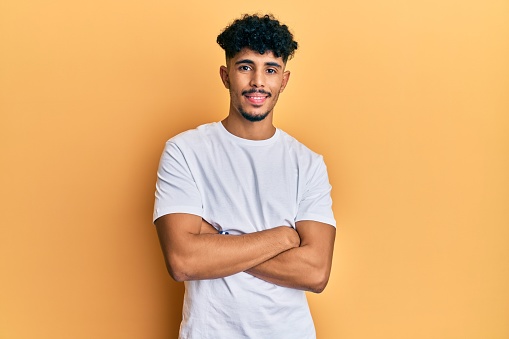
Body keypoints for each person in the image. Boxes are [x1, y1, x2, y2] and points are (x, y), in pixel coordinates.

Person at [153, 14, 336, 339]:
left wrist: (215, 241)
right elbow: (183, 260)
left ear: (284, 79)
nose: (257, 82)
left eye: (270, 69)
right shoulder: (185, 151)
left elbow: (316, 272)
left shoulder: (308, 164)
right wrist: (283, 237)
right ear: (226, 75)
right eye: (245, 67)